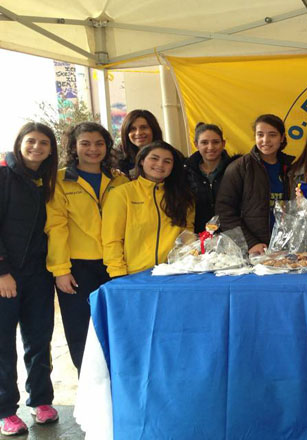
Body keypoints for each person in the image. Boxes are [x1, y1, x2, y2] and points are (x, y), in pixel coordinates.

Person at [45, 122, 128, 373]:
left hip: (116, 264)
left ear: (107, 146)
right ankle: (89, 385)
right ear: (74, 147)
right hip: (78, 267)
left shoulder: (119, 180)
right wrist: (61, 269)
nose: (93, 149)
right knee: (81, 329)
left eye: (99, 143)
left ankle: (117, 383)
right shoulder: (60, 180)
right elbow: (56, 227)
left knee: (116, 326)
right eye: (85, 143)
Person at [0, 123, 59, 435]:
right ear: (20, 143)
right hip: (7, 276)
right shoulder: (4, 175)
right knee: (3, 344)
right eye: (31, 141)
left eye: (44, 143)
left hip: (39, 274)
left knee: (39, 340)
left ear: (51, 149)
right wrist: (3, 272)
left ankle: (41, 400)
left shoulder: (47, 180)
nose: (37, 147)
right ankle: (6, 409)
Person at [102, 141, 194, 277]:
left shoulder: (183, 197)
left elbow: (188, 235)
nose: (160, 165)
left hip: (174, 273)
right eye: (154, 158)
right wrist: (117, 272)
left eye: (167, 161)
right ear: (142, 161)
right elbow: (112, 239)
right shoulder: (122, 194)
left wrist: (187, 264)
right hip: (133, 275)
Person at [216, 114, 295, 255]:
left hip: (286, 249)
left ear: (282, 138)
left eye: (272, 135)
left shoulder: (291, 168)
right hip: (254, 251)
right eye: (260, 135)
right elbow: (224, 211)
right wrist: (250, 243)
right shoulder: (240, 167)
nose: (266, 140)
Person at [184, 122, 240, 233]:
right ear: (196, 144)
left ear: (223, 144)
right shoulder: (186, 171)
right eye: (204, 142)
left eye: (215, 142)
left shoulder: (236, 169)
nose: (210, 147)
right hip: (198, 237)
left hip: (232, 236)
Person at [117, 109, 163, 176]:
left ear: (154, 129)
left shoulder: (168, 154)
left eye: (144, 127)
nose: (138, 133)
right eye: (133, 129)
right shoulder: (117, 158)